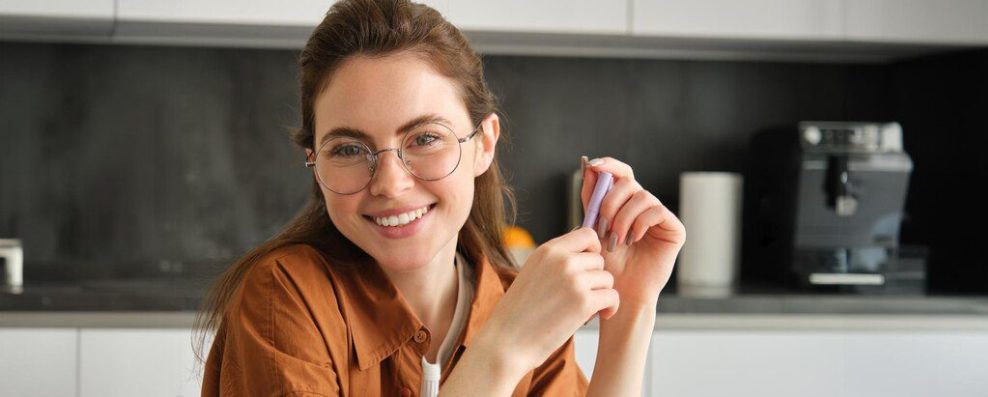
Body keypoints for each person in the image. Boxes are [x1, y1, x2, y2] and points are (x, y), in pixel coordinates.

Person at [194, 0, 686, 395]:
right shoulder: (284, 298)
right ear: (314, 162)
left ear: (483, 145)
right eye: (348, 148)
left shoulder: (523, 302)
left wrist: (633, 309)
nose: (389, 182)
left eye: (424, 138)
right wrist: (501, 350)